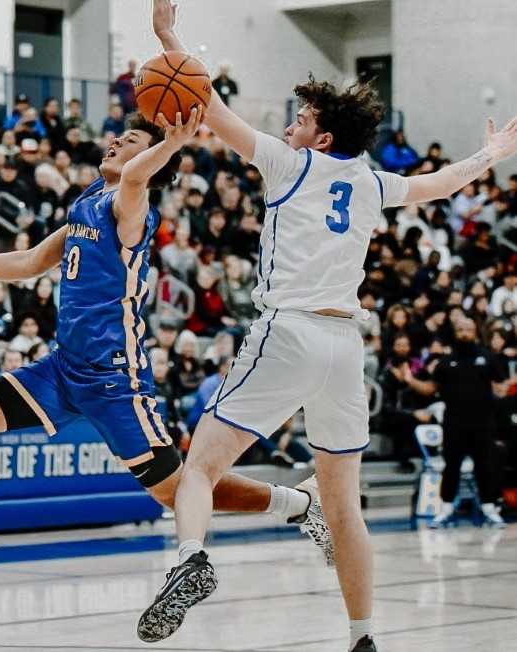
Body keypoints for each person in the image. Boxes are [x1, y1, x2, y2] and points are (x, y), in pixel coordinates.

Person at [137, 3, 517, 651]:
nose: (290, 125)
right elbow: (446, 181)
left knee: (196, 469)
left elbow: (206, 103)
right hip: (347, 350)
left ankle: (191, 558)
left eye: (302, 119)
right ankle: (363, 638)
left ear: (319, 139)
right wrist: (494, 151)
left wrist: (168, 36)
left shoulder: (288, 164)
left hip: (289, 330)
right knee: (345, 507)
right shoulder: (372, 185)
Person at [0, 93, 329, 600]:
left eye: (129, 142)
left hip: (113, 377)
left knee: (177, 492)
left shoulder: (131, 202)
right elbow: (35, 260)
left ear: (150, 161)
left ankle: (297, 504)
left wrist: (171, 142)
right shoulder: (88, 201)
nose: (115, 142)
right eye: (119, 136)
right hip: (65, 367)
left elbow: (134, 177)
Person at [406, 318, 509, 529]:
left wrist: (507, 385)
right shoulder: (445, 362)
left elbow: (501, 387)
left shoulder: (486, 358)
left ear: (475, 332)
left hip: (483, 424)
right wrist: (410, 380)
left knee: (485, 466)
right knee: (451, 467)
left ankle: (490, 509)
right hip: (454, 424)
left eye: (468, 330)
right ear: (455, 333)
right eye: (460, 330)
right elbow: (430, 389)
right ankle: (445, 509)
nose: (464, 333)